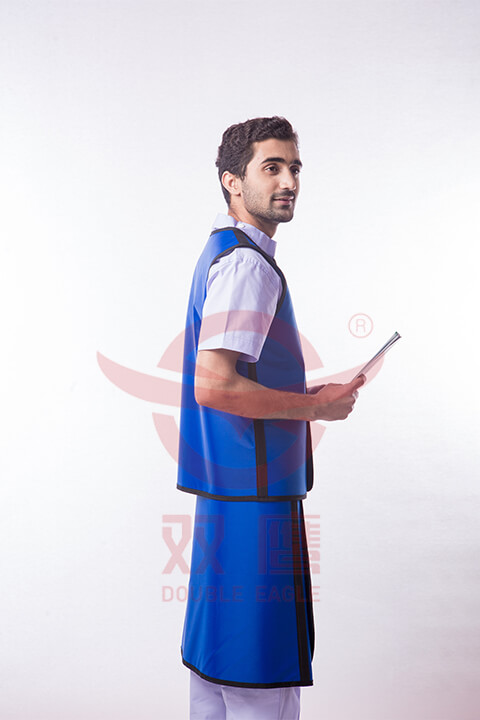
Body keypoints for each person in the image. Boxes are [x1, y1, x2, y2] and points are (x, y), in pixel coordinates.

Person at [177, 117, 365, 720]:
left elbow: (233, 377)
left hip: (225, 496)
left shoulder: (222, 253)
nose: (289, 181)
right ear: (232, 182)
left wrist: (303, 393)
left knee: (216, 676)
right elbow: (215, 384)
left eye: (295, 168)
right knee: (261, 680)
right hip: (256, 504)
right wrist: (317, 408)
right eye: (272, 167)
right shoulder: (247, 265)